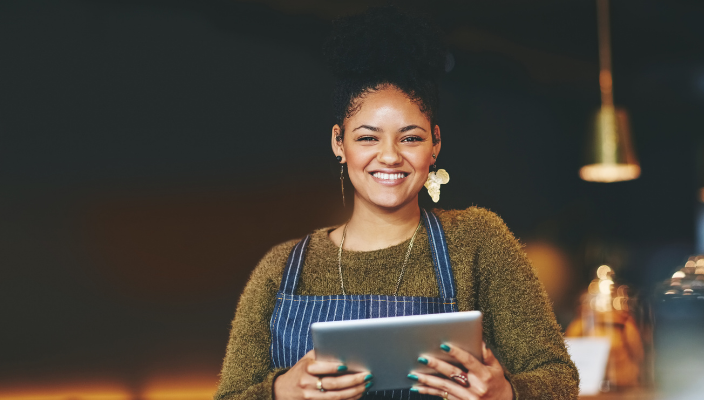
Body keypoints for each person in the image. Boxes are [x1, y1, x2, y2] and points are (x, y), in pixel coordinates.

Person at [214, 6, 579, 400]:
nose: (389, 157)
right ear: (339, 143)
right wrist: (282, 390)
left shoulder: (478, 241)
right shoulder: (282, 269)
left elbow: (559, 379)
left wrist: (506, 394)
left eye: (410, 138)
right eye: (368, 138)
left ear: (435, 144)